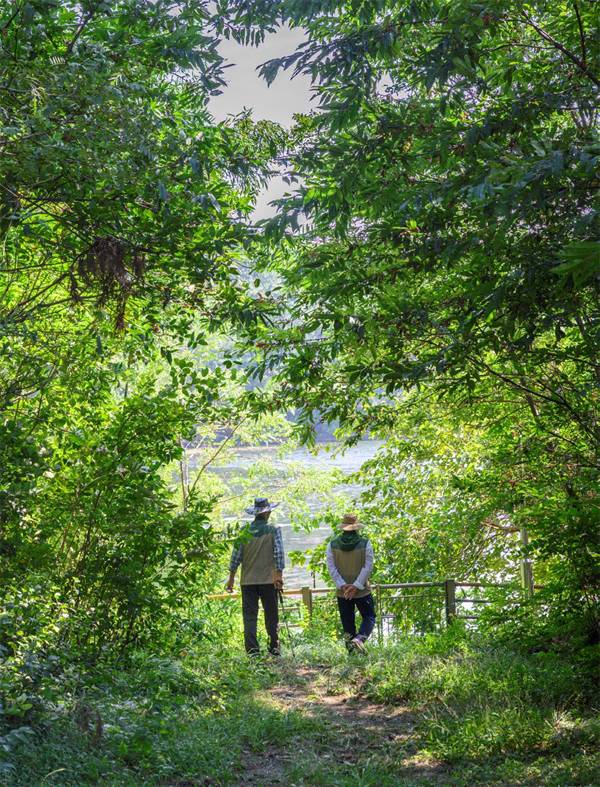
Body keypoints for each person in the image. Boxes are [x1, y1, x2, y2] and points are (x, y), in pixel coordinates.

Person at [226, 497, 285, 655]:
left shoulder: (244, 532)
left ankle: (253, 652)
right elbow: (278, 554)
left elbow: (235, 557)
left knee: (250, 617)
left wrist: (231, 578)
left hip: (248, 581)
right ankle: (274, 647)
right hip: (269, 580)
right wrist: (279, 575)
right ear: (268, 512)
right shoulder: (274, 529)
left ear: (255, 514)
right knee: (271, 615)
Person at [326, 513, 376, 652]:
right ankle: (359, 639)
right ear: (357, 528)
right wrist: (356, 586)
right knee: (369, 617)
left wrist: (343, 585)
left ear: (343, 527)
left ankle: (351, 654)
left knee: (347, 624)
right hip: (362, 590)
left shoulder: (332, 544)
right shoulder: (365, 543)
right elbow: (368, 566)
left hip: (343, 592)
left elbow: (331, 568)